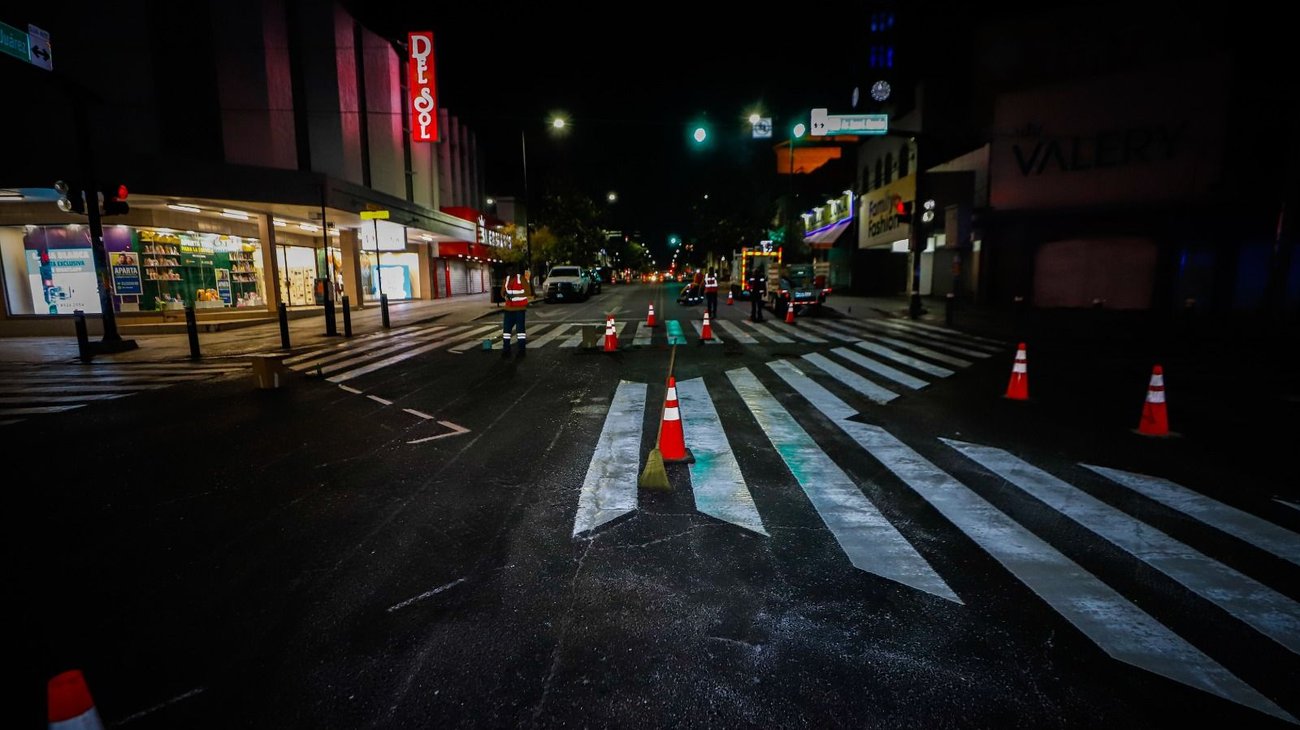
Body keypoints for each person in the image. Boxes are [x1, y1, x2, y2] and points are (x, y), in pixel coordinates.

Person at [500, 266, 529, 358]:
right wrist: (505, 296)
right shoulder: (506, 279)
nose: (510, 271)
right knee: (506, 332)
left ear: (515, 271)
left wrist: (515, 295)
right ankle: (506, 350)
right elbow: (502, 292)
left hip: (519, 309)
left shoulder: (521, 279)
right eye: (509, 270)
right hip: (509, 310)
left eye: (512, 270)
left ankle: (521, 351)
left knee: (520, 332)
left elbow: (528, 292)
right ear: (507, 271)